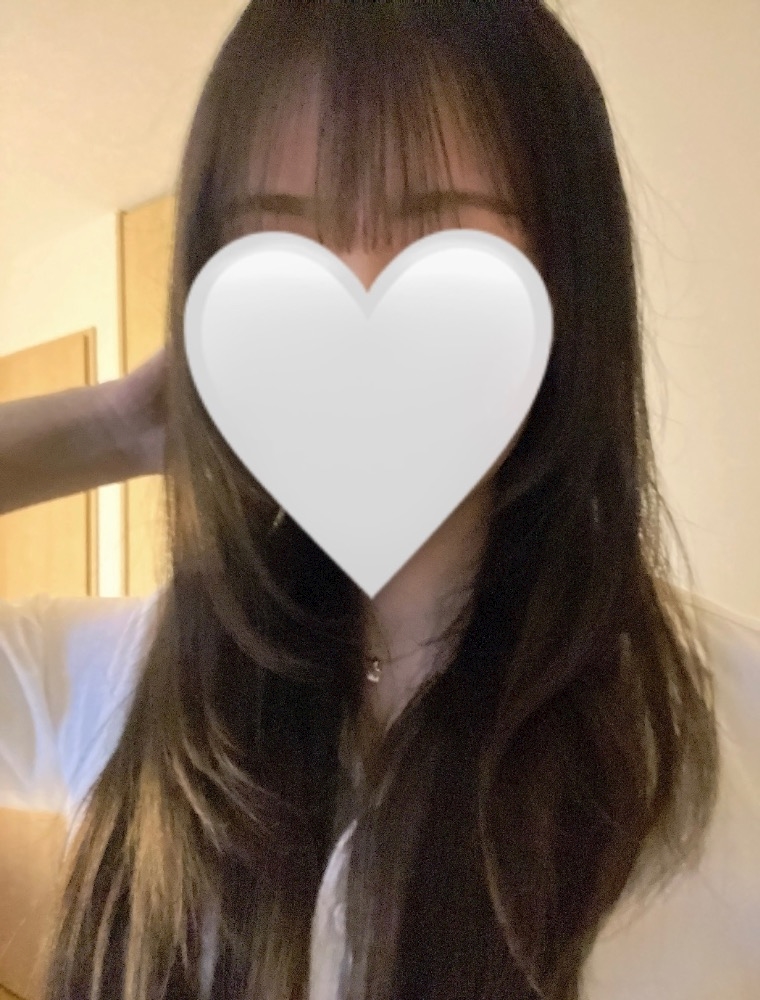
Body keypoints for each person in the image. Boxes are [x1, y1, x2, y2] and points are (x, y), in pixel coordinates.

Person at [1, 1, 759, 998]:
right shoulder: (122, 676)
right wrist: (112, 427)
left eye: (437, 228)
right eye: (275, 238)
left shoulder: (731, 727)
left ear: (567, 279)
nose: (354, 293)